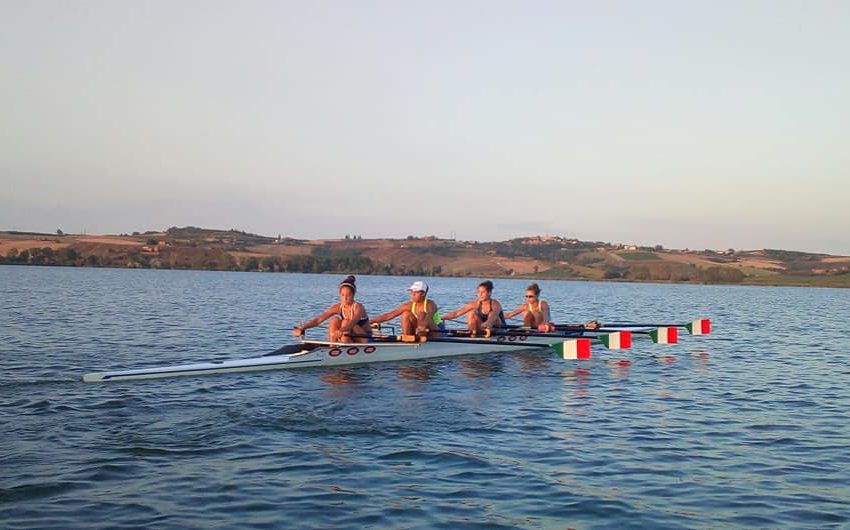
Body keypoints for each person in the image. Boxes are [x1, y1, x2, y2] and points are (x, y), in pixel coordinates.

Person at [292, 275, 370, 343]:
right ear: (339, 295)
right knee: (334, 320)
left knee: (346, 322)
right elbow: (318, 320)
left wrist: (341, 330)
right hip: (348, 336)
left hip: (365, 338)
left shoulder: (358, 307)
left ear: (353, 295)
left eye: (348, 295)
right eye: (342, 295)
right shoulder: (338, 307)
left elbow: (353, 322)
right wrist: (302, 328)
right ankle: (332, 346)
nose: (345, 298)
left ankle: (344, 348)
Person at [370, 280, 444, 336]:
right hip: (421, 328)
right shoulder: (409, 305)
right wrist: (370, 321)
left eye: (416, 292)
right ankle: (407, 339)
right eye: (411, 291)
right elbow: (389, 315)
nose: (412, 294)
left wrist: (421, 328)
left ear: (423, 293)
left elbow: (427, 318)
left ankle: (421, 338)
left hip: (437, 331)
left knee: (422, 315)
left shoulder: (430, 304)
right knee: (405, 314)